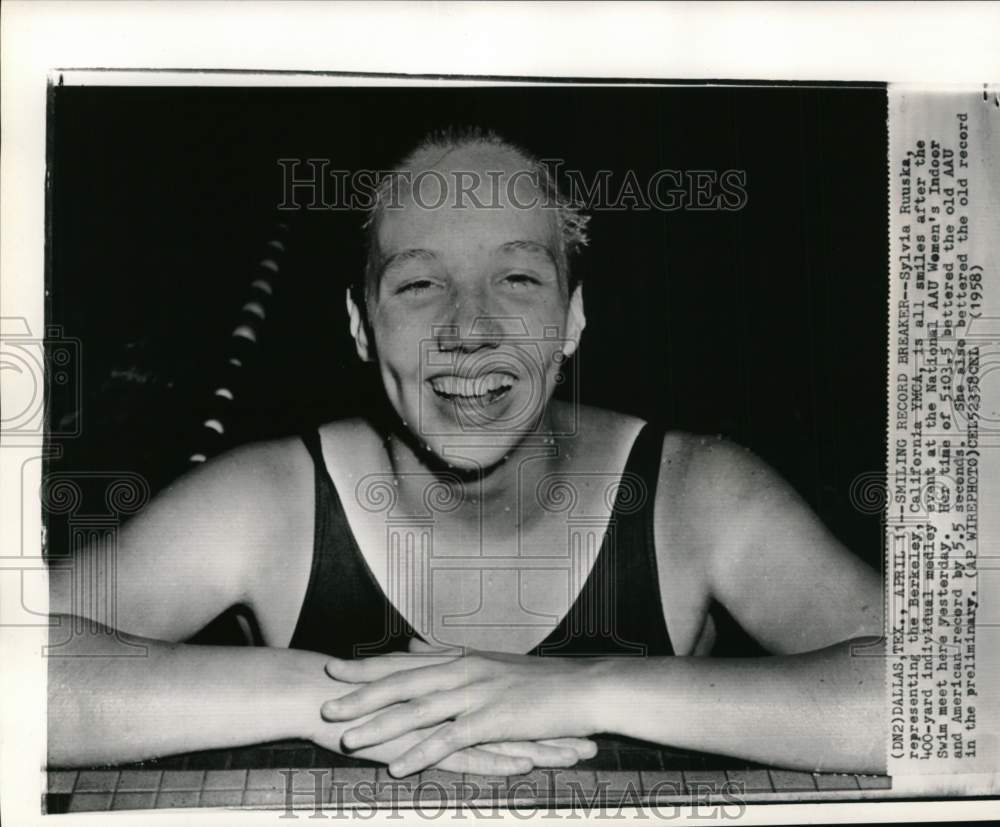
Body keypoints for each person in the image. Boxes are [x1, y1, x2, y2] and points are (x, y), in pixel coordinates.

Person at [47, 128, 885, 779]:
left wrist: (583, 688)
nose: (469, 328)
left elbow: (951, 688)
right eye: (418, 284)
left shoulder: (694, 494)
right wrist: (335, 698)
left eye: (517, 280)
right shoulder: (266, 503)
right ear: (359, 324)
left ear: (574, 317)